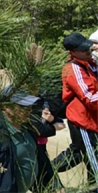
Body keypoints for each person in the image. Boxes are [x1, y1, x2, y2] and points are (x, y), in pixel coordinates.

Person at [51, 32, 98, 186]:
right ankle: (46, 170)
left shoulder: (89, 63)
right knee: (84, 155)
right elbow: (90, 98)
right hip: (83, 122)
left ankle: (47, 170)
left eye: (88, 47)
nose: (88, 50)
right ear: (73, 52)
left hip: (92, 120)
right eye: (83, 49)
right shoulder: (73, 68)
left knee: (83, 154)